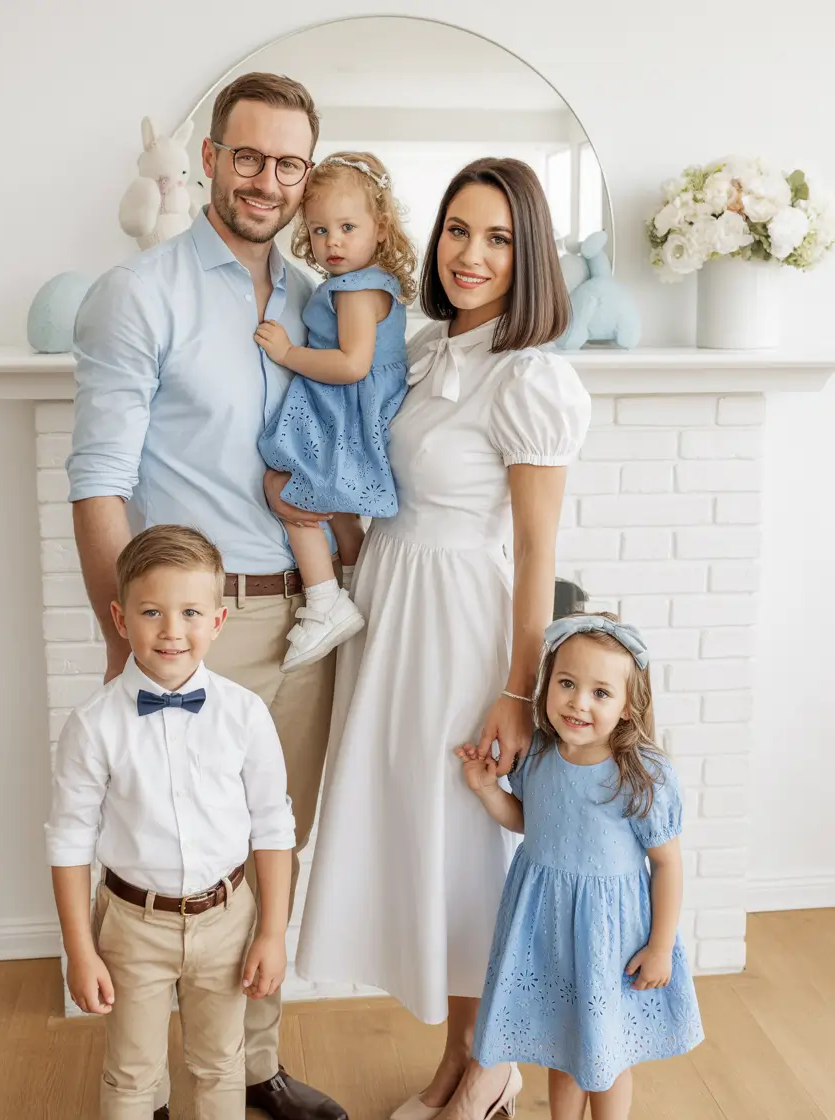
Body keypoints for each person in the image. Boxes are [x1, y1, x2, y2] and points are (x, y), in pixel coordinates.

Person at [267, 158, 591, 1120]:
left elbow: (536, 552)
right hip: (396, 609)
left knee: (472, 850)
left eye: (497, 238)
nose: (471, 254)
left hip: (461, 626)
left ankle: (490, 1069)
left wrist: (520, 691)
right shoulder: (421, 349)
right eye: (457, 229)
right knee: (432, 847)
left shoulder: (530, 377)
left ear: (529, 255)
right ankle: (460, 1058)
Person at [66, 71, 347, 1120]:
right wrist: (124, 642)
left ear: (307, 174)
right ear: (210, 160)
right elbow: (98, 481)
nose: (266, 181)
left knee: (269, 847)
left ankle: (250, 1067)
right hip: (188, 629)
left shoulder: (324, 303)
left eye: (288, 164)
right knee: (163, 855)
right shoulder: (138, 295)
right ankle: (145, 1079)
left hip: (303, 621)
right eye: (248, 157)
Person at [45, 525, 296, 1119]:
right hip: (133, 924)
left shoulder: (245, 714)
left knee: (221, 1063)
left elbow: (272, 825)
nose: (172, 631)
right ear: (120, 617)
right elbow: (70, 839)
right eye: (152, 611)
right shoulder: (93, 725)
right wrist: (80, 951)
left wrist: (272, 933)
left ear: (218, 621)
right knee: (132, 1073)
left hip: (228, 919)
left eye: (190, 612)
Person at [456, 612, 704, 1120]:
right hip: (546, 929)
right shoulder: (538, 755)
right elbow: (530, 822)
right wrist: (486, 790)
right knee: (563, 1045)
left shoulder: (641, 775)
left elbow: (667, 865)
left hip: (611, 939)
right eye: (567, 684)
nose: (578, 702)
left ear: (628, 707)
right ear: (548, 684)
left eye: (600, 692)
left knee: (606, 1053)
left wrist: (660, 947)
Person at [255, 150, 415, 672]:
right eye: (320, 230)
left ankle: (325, 601)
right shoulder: (374, 283)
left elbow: (351, 364)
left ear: (380, 228)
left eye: (348, 227)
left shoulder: (355, 291)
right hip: (355, 412)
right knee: (341, 514)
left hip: (344, 411)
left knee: (291, 490)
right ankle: (358, 587)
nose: (333, 243)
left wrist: (286, 354)